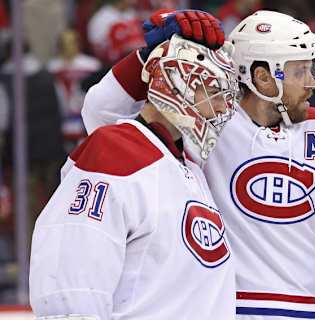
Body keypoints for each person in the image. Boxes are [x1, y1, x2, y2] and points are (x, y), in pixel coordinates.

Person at [81, 10, 315, 319]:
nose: (311, 82)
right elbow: (102, 115)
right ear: (263, 77)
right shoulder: (209, 126)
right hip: (229, 310)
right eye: (299, 72)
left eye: (312, 69)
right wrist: (148, 55)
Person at [29, 34, 237, 319]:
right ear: (175, 85)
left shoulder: (186, 167)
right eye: (212, 91)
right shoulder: (115, 154)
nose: (223, 107)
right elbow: (71, 286)